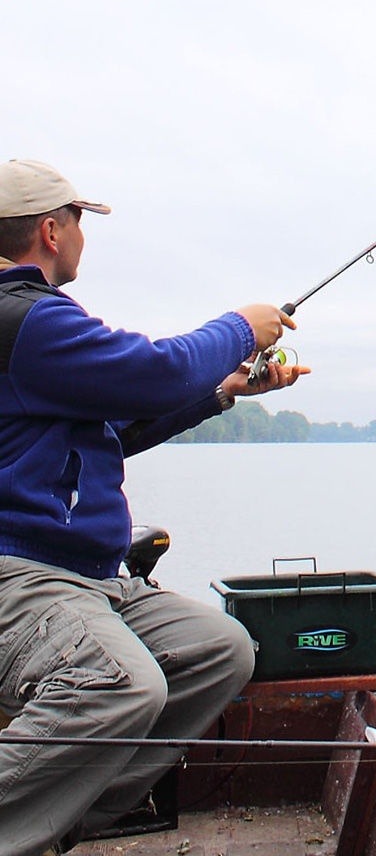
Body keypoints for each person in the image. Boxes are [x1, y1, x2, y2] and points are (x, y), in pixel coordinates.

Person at [0, 159, 309, 856]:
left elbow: (118, 426)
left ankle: (47, 826)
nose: (84, 236)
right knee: (122, 684)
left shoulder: (32, 328)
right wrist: (239, 327)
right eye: (81, 221)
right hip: (20, 574)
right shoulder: (22, 318)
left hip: (86, 577)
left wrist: (220, 390)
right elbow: (153, 372)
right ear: (52, 230)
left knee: (219, 651)